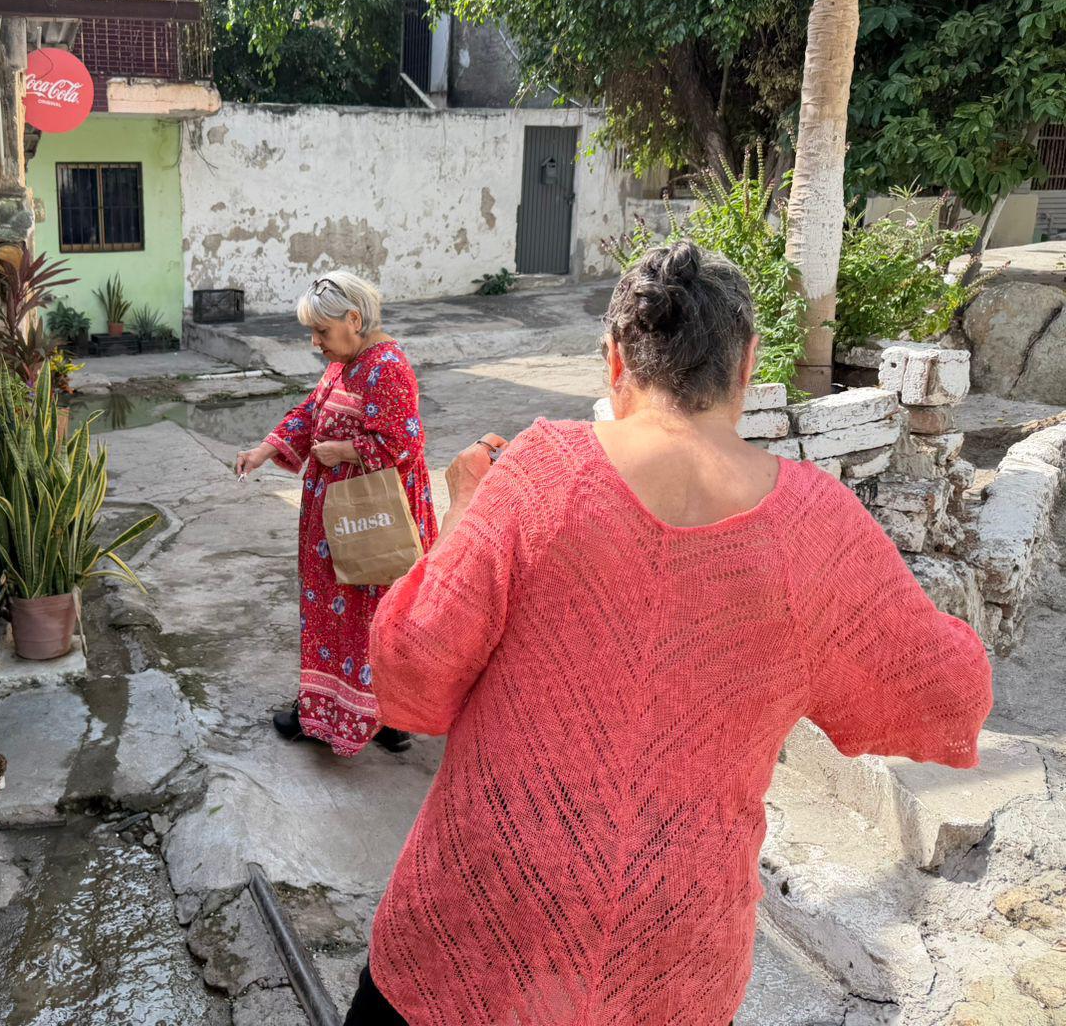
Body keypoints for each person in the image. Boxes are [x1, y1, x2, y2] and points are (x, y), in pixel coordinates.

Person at [347, 241, 994, 1025]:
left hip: (479, 922)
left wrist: (460, 521)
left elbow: (410, 678)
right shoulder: (817, 527)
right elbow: (949, 697)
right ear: (748, 362)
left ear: (614, 359)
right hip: (670, 956)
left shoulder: (536, 472)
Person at [236, 272, 438, 757]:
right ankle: (365, 716)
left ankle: (352, 717)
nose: (315, 343)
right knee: (352, 617)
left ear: (354, 319)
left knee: (367, 615)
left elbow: (403, 444)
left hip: (370, 518)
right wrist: (267, 448)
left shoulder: (386, 366)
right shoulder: (350, 361)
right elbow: (313, 411)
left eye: (322, 332)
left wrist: (343, 451)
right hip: (345, 516)